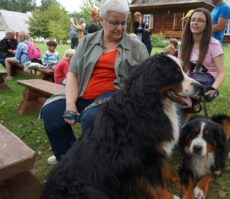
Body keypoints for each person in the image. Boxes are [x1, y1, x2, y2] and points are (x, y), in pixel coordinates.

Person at [41, 0, 149, 165]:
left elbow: (146, 82)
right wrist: (70, 104)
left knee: (93, 117)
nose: (120, 28)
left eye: (123, 23)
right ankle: (69, 157)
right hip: (83, 94)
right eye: (114, 23)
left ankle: (97, 166)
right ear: (102, 20)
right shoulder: (87, 41)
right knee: (51, 112)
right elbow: (73, 73)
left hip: (116, 100)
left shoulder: (137, 48)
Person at [179, 7, 225, 99]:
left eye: (200, 20)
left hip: (207, 82)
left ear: (207, 25)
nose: (195, 23)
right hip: (190, 80)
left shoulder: (214, 44)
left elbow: (221, 73)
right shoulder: (184, 44)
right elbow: (182, 69)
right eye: (193, 20)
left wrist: (213, 88)